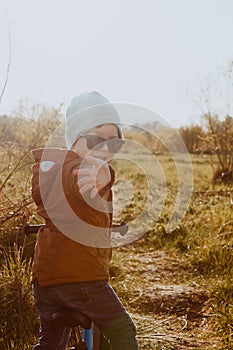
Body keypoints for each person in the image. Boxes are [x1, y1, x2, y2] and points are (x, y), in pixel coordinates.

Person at [31, 91, 138, 349]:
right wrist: (103, 173)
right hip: (82, 279)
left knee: (52, 343)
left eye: (114, 144)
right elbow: (76, 177)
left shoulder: (50, 166)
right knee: (123, 330)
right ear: (76, 140)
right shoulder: (78, 170)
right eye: (95, 140)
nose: (104, 149)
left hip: (45, 280)